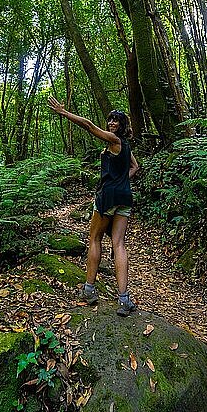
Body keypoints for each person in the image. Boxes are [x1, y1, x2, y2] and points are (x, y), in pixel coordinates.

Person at [48, 96, 139, 316]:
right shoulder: (123, 146)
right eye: (110, 120)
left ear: (122, 125)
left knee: (95, 238)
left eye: (116, 121)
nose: (111, 123)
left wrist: (64, 112)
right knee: (118, 243)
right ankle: (124, 300)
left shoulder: (114, 141)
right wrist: (122, 182)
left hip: (108, 197)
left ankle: (89, 290)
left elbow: (88, 125)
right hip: (124, 196)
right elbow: (135, 166)